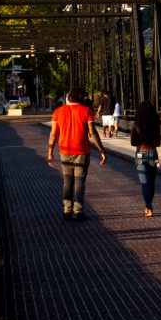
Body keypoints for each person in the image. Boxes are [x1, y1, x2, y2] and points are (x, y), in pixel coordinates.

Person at [47, 85, 105, 220]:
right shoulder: (86, 111)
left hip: (65, 151)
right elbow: (92, 132)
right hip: (82, 152)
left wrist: (50, 152)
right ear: (81, 97)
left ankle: (66, 209)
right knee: (79, 182)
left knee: (67, 181)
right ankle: (78, 211)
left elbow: (53, 134)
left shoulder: (58, 112)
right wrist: (102, 150)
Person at [129, 97, 161, 217]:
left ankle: (148, 207)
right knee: (152, 183)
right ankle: (149, 206)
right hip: (153, 154)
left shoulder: (136, 125)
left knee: (145, 183)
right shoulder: (156, 124)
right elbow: (158, 143)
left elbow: (133, 143)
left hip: (140, 154)